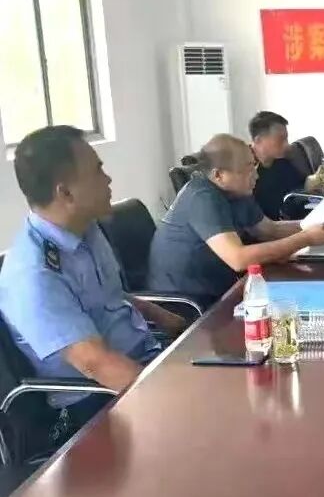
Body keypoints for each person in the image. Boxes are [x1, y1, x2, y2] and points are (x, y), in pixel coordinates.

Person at [0, 126, 186, 432]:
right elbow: (96, 363)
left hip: (143, 360)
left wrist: (178, 325)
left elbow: (110, 296)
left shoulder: (86, 228)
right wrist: (179, 399)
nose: (108, 179)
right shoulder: (33, 274)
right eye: (98, 171)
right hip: (98, 400)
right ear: (65, 193)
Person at [147, 134, 324, 306]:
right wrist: (306, 238)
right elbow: (238, 258)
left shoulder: (238, 192)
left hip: (226, 290)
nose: (256, 175)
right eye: (247, 169)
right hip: (187, 305)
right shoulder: (201, 196)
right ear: (218, 175)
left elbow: (269, 229)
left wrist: (321, 225)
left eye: (254, 165)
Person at [248, 111, 323, 220]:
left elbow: (298, 189)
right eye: (280, 140)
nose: (287, 145)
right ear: (258, 140)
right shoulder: (246, 171)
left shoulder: (282, 162)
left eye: (286, 139)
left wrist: (312, 182)